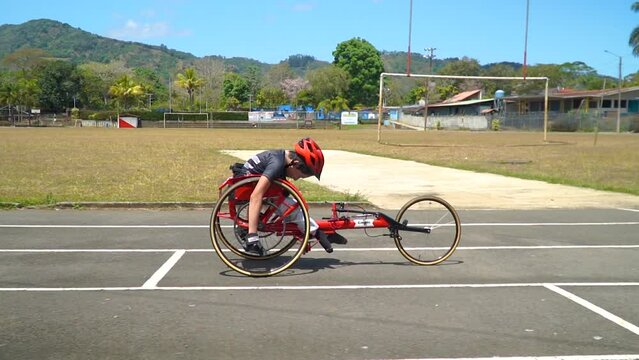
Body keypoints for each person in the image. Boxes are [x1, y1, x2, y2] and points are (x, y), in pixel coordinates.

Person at [233, 137, 347, 255]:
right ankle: (318, 233)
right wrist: (252, 236)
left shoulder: (280, 158)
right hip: (247, 189)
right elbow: (256, 196)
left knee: (291, 205)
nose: (297, 179)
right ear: (295, 164)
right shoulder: (276, 164)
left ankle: (315, 233)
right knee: (294, 208)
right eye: (301, 176)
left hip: (250, 185)